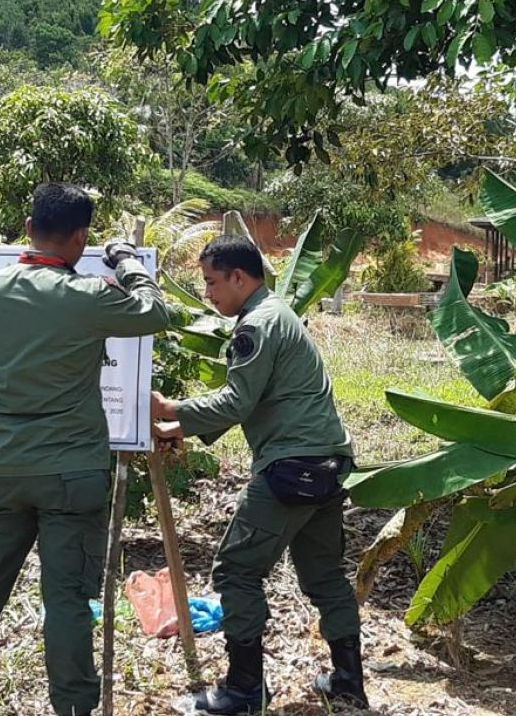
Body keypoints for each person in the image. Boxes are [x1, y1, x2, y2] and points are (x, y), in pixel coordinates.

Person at [0, 183, 169, 716]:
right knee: (66, 603)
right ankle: (74, 709)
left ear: (30, 227)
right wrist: (126, 262)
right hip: (72, 472)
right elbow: (154, 312)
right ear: (81, 238)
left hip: (3, 469)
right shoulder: (89, 297)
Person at [151, 235, 367, 715]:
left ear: (238, 278)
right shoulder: (277, 314)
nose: (208, 293)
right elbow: (255, 399)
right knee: (325, 575)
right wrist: (181, 423)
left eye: (211, 283)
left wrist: (173, 411)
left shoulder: (256, 326)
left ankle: (245, 690)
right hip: (329, 463)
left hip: (291, 468)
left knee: (236, 570)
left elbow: (236, 400)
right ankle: (349, 681)